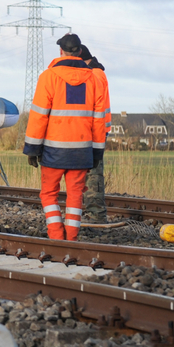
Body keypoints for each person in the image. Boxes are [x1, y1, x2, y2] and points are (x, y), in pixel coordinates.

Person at [23, 33, 106, 240]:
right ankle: (71, 238)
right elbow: (98, 119)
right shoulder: (94, 79)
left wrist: (32, 149)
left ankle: (56, 236)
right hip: (82, 150)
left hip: (53, 151)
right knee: (76, 195)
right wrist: (97, 152)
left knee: (49, 194)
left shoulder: (48, 77)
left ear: (61, 51)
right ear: (79, 52)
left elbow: (39, 116)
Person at [80, 44, 110, 223]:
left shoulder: (95, 75)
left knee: (93, 175)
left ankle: (96, 215)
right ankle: (92, 213)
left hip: (94, 131)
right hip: (94, 130)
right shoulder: (97, 73)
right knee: (90, 174)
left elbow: (94, 106)